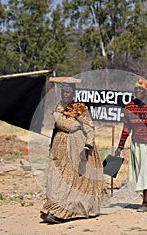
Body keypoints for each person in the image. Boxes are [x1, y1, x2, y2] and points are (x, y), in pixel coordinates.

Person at [40, 80, 108, 224]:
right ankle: (53, 208)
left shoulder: (79, 108)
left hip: (76, 147)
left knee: (71, 181)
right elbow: (56, 128)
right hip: (60, 148)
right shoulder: (58, 107)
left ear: (73, 93)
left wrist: (87, 147)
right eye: (63, 92)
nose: (65, 94)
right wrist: (51, 145)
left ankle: (64, 212)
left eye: (68, 92)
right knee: (56, 178)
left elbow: (90, 129)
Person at [115, 78, 147, 211]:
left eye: (141, 89)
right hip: (137, 144)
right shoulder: (130, 107)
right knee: (140, 172)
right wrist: (120, 147)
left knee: (146, 172)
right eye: (136, 89)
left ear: (146, 92)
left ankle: (144, 203)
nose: (138, 91)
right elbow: (126, 128)